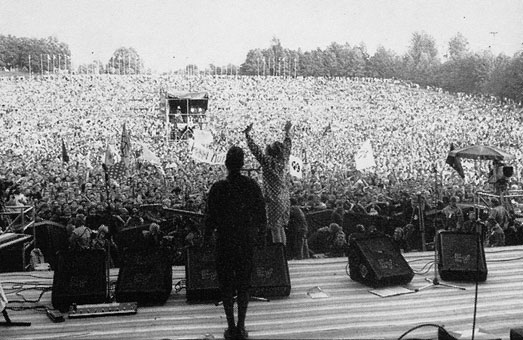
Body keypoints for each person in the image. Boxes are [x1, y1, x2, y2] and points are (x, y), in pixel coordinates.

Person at [204, 146, 267, 340]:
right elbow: (261, 217)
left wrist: (206, 239)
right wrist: (261, 238)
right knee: (243, 284)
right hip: (245, 240)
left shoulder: (218, 188)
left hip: (225, 241)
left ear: (226, 164)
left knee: (226, 285)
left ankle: (230, 327)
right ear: (242, 164)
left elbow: (210, 218)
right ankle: (241, 326)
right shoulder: (252, 186)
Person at [244, 120, 292, 245]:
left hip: (273, 198)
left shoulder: (267, 162)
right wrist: (287, 132)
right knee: (281, 228)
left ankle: (279, 257)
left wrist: (248, 135)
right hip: (285, 197)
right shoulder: (283, 160)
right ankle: (283, 256)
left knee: (276, 229)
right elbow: (287, 147)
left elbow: (256, 151)